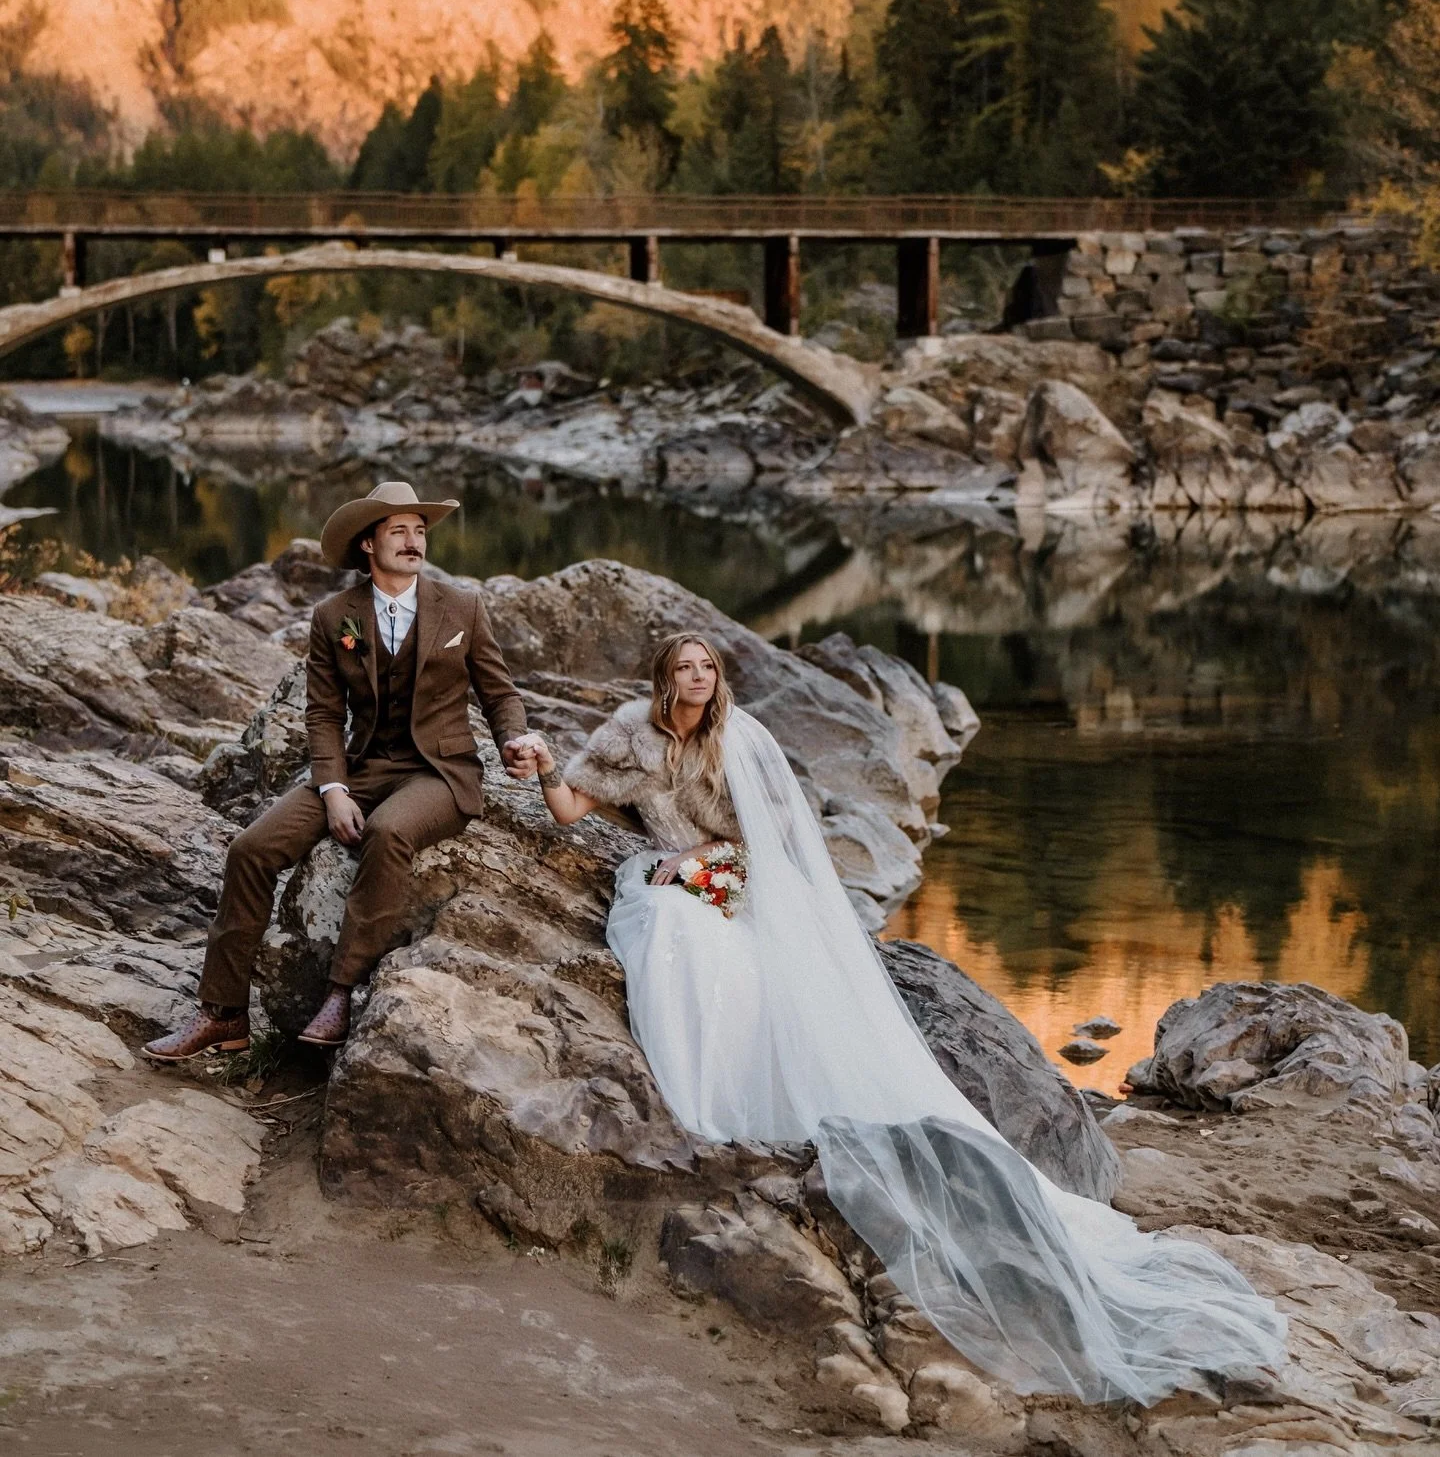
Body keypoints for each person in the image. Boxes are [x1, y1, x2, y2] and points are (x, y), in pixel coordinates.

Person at [513, 632, 1288, 1408]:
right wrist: (546, 765)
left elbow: (773, 839)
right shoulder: (629, 734)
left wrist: (701, 856)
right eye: (683, 667)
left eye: (706, 666)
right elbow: (570, 807)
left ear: (716, 678)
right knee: (672, 930)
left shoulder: (738, 738)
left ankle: (743, 1097)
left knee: (728, 951)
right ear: (662, 678)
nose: (695, 677)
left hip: (731, 874)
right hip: (676, 884)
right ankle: (706, 1098)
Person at [145, 480, 532, 1061]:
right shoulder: (334, 617)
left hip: (439, 772)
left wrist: (513, 740)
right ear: (368, 546)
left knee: (388, 832)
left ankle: (340, 991)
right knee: (251, 848)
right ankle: (223, 1014)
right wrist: (332, 789)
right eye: (398, 530)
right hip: (361, 766)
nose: (413, 541)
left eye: (419, 530)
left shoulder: (462, 607)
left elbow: (500, 695)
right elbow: (324, 712)